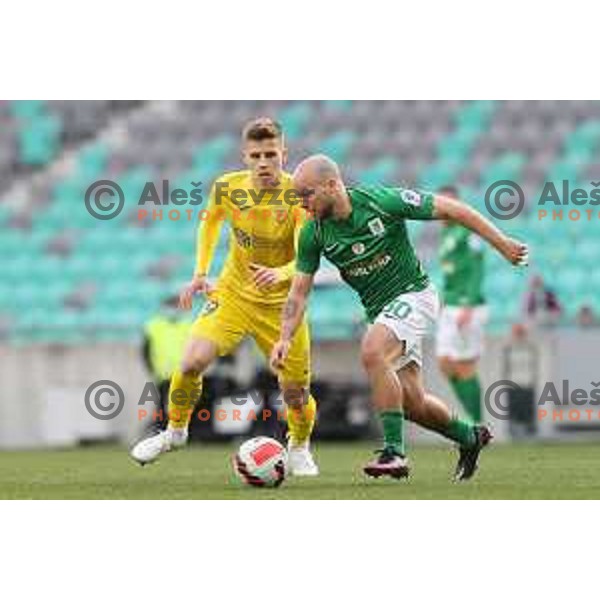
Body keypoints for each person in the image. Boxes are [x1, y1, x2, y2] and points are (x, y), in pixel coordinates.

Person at [271, 155, 527, 480]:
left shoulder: (382, 202)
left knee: (372, 351)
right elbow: (298, 292)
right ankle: (469, 437)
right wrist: (284, 337)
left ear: (332, 185)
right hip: (380, 312)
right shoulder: (313, 234)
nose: (302, 204)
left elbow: (453, 209)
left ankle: (394, 452)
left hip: (414, 295)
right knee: (412, 404)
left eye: (306, 194)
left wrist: (501, 243)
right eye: (297, 198)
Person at [131, 118, 319, 475]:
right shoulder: (228, 187)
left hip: (282, 305)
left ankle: (299, 445)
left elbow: (305, 257)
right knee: (190, 362)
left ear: (284, 154)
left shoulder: (298, 195)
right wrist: (201, 274)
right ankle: (174, 431)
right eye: (256, 155)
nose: (264, 162)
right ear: (245, 156)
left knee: (295, 393)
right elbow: (211, 221)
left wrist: (279, 273)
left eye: (271, 154)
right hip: (233, 294)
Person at [435, 185, 487, 424]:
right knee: (445, 363)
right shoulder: (446, 233)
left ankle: (476, 423)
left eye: (450, 203)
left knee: (464, 365)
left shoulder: (468, 230)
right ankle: (473, 420)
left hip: (467, 305)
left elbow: (477, 268)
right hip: (451, 304)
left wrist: (468, 304)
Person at [141, 295, 193, 430]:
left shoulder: (188, 325)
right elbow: (145, 351)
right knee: (163, 406)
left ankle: (183, 432)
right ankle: (159, 431)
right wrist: (152, 370)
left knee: (184, 407)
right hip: (163, 375)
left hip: (185, 373)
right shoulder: (153, 326)